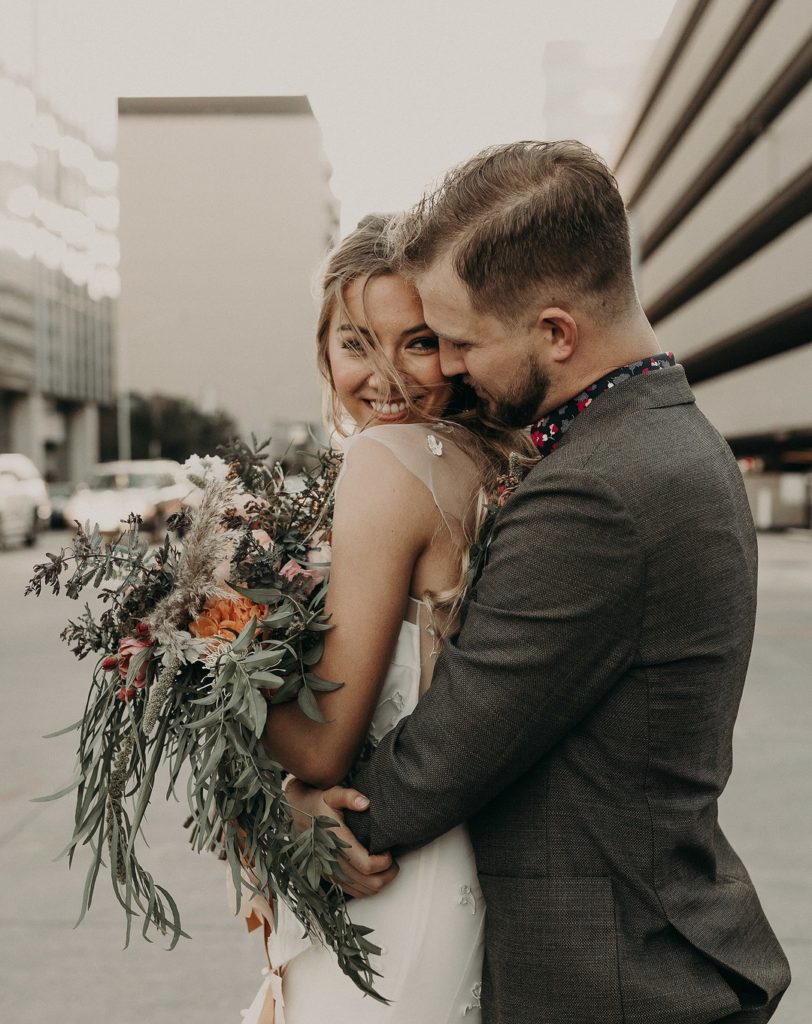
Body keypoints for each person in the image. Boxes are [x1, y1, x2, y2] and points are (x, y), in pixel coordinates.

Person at [286, 142, 792, 1024]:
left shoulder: (598, 489)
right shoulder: (667, 434)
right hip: (648, 949)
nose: (444, 368)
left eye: (460, 341)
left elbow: (448, 753)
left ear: (556, 332)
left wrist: (291, 817)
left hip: (612, 984)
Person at [239, 214, 533, 1023]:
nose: (388, 378)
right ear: (322, 347)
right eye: (356, 343)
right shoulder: (484, 457)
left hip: (379, 873)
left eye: (418, 342)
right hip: (443, 852)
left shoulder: (385, 461)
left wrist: (202, 668)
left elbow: (327, 740)